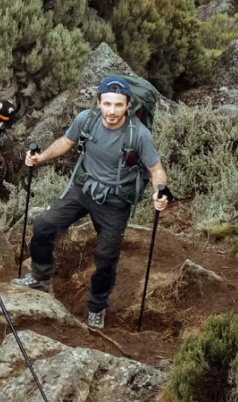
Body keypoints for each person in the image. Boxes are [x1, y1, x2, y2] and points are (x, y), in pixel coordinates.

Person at [11, 77, 169, 329]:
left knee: (106, 258)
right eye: (107, 104)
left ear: (128, 105)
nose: (112, 111)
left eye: (118, 105)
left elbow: (156, 168)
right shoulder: (87, 119)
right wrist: (41, 157)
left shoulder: (139, 134)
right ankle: (40, 277)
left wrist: (160, 191)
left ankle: (96, 308)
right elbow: (66, 141)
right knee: (43, 228)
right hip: (82, 189)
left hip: (115, 201)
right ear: (99, 102)